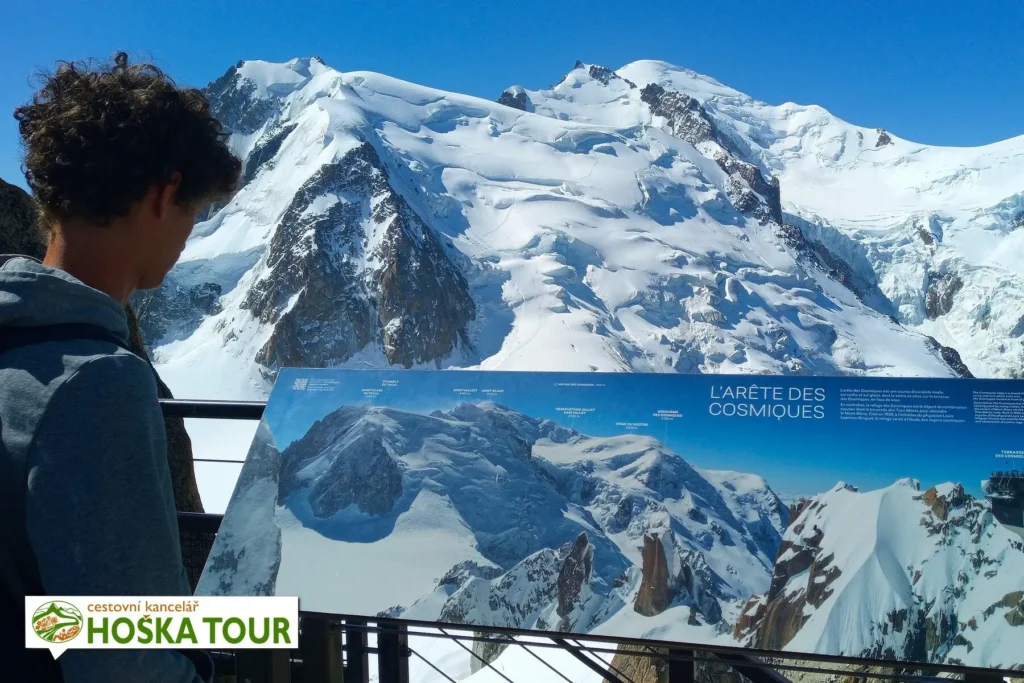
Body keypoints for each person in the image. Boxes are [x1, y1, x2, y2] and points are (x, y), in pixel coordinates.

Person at [0, 52, 240, 682]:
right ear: (163, 195)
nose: (188, 236)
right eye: (193, 211)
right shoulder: (96, 382)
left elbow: (55, 615)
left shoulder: (13, 343)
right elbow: (123, 653)